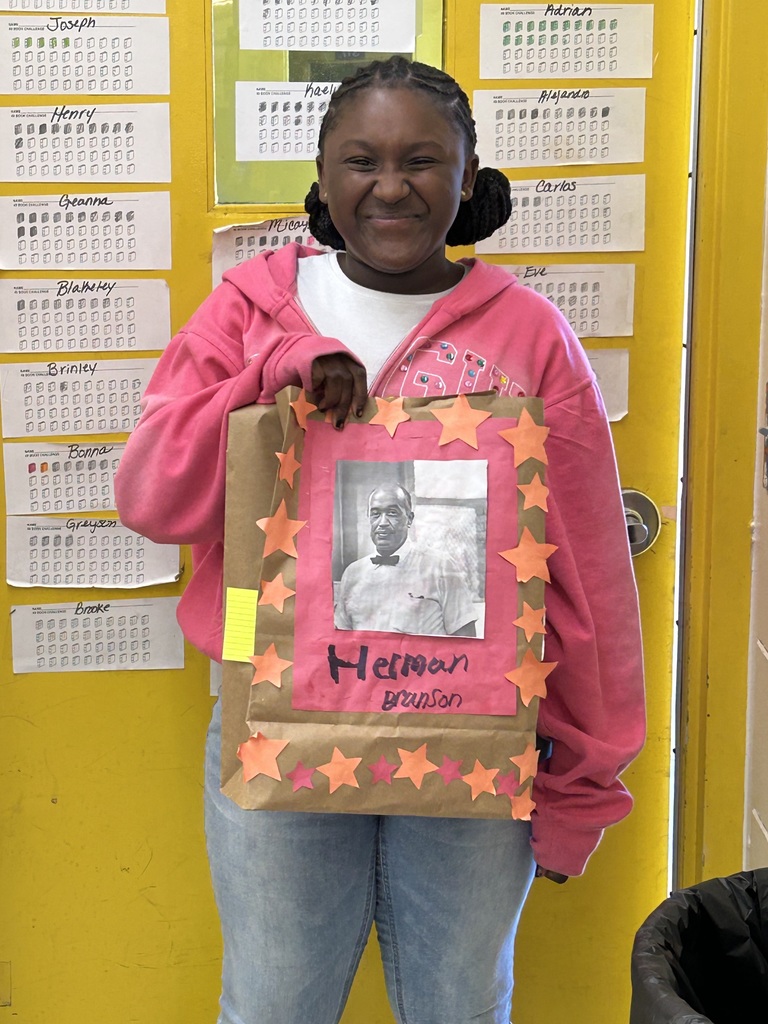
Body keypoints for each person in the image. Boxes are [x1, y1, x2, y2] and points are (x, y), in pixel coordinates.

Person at [115, 55, 644, 1024]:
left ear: (470, 179)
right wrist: (265, 373)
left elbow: (591, 576)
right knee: (275, 1005)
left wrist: (584, 779)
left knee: (456, 1005)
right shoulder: (250, 308)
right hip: (277, 728)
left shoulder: (529, 335)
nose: (390, 185)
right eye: (361, 159)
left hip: (476, 739)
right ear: (321, 179)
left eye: (423, 160)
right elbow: (153, 496)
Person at [334, 482, 478, 636]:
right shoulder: (352, 573)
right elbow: (341, 640)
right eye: (375, 514)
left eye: (392, 513)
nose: (382, 523)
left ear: (409, 519)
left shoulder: (440, 567)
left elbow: (466, 640)